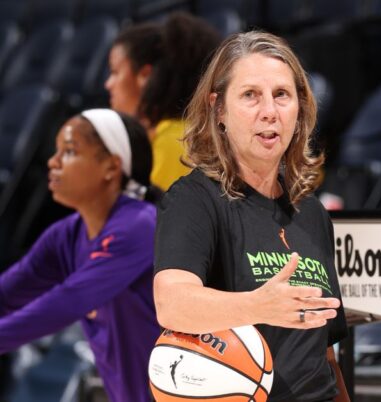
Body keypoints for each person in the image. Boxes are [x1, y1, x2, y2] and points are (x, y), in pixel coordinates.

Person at [153, 31, 349, 402]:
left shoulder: (311, 211)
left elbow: (324, 355)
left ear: (300, 109)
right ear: (218, 109)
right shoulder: (194, 199)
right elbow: (172, 303)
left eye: (281, 95)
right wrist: (259, 306)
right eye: (250, 96)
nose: (269, 112)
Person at [0, 109, 159, 402]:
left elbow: (68, 302)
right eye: (56, 150)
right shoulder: (66, 235)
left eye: (69, 151)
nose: (53, 162)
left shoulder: (139, 224)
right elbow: (8, 292)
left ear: (111, 166)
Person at [105, 12, 221, 191]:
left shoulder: (173, 141)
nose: (108, 84)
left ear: (145, 76)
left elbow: (155, 217)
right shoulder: (169, 134)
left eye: (115, 72)